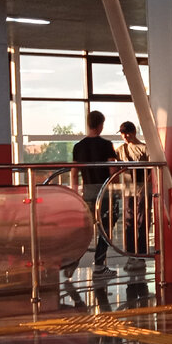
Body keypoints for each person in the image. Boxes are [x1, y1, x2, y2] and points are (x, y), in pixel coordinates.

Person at [71, 110, 117, 276]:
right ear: (100, 125)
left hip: (87, 194)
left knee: (86, 230)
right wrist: (117, 190)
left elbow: (74, 173)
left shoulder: (78, 146)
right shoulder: (106, 145)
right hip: (104, 194)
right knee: (106, 227)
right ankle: (99, 264)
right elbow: (112, 171)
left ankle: (72, 260)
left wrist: (75, 193)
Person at [115, 121, 150, 272]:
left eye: (126, 133)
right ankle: (131, 253)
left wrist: (146, 186)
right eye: (122, 133)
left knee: (142, 221)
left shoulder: (144, 148)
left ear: (133, 132)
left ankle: (140, 255)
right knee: (129, 221)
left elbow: (152, 170)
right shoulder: (120, 150)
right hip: (128, 190)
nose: (124, 136)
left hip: (142, 189)